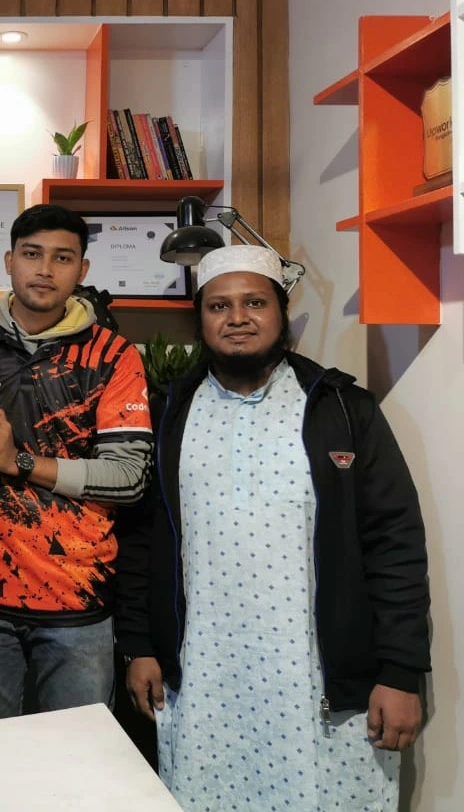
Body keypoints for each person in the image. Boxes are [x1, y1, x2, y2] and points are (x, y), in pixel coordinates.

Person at [116, 244, 430, 811]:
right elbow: (142, 540)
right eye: (219, 306)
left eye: (255, 302)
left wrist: (402, 671)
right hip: (206, 681)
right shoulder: (168, 413)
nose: (237, 318)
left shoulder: (342, 409)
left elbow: (395, 544)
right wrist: (139, 645)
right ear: (200, 319)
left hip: (321, 688)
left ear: (282, 313)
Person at [0, 203, 153, 719]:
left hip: (77, 601)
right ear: (9, 260)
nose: (44, 269)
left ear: (83, 270)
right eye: (32, 254)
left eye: (62, 257)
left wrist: (19, 461)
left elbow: (128, 478)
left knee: (77, 758)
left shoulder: (114, 355)